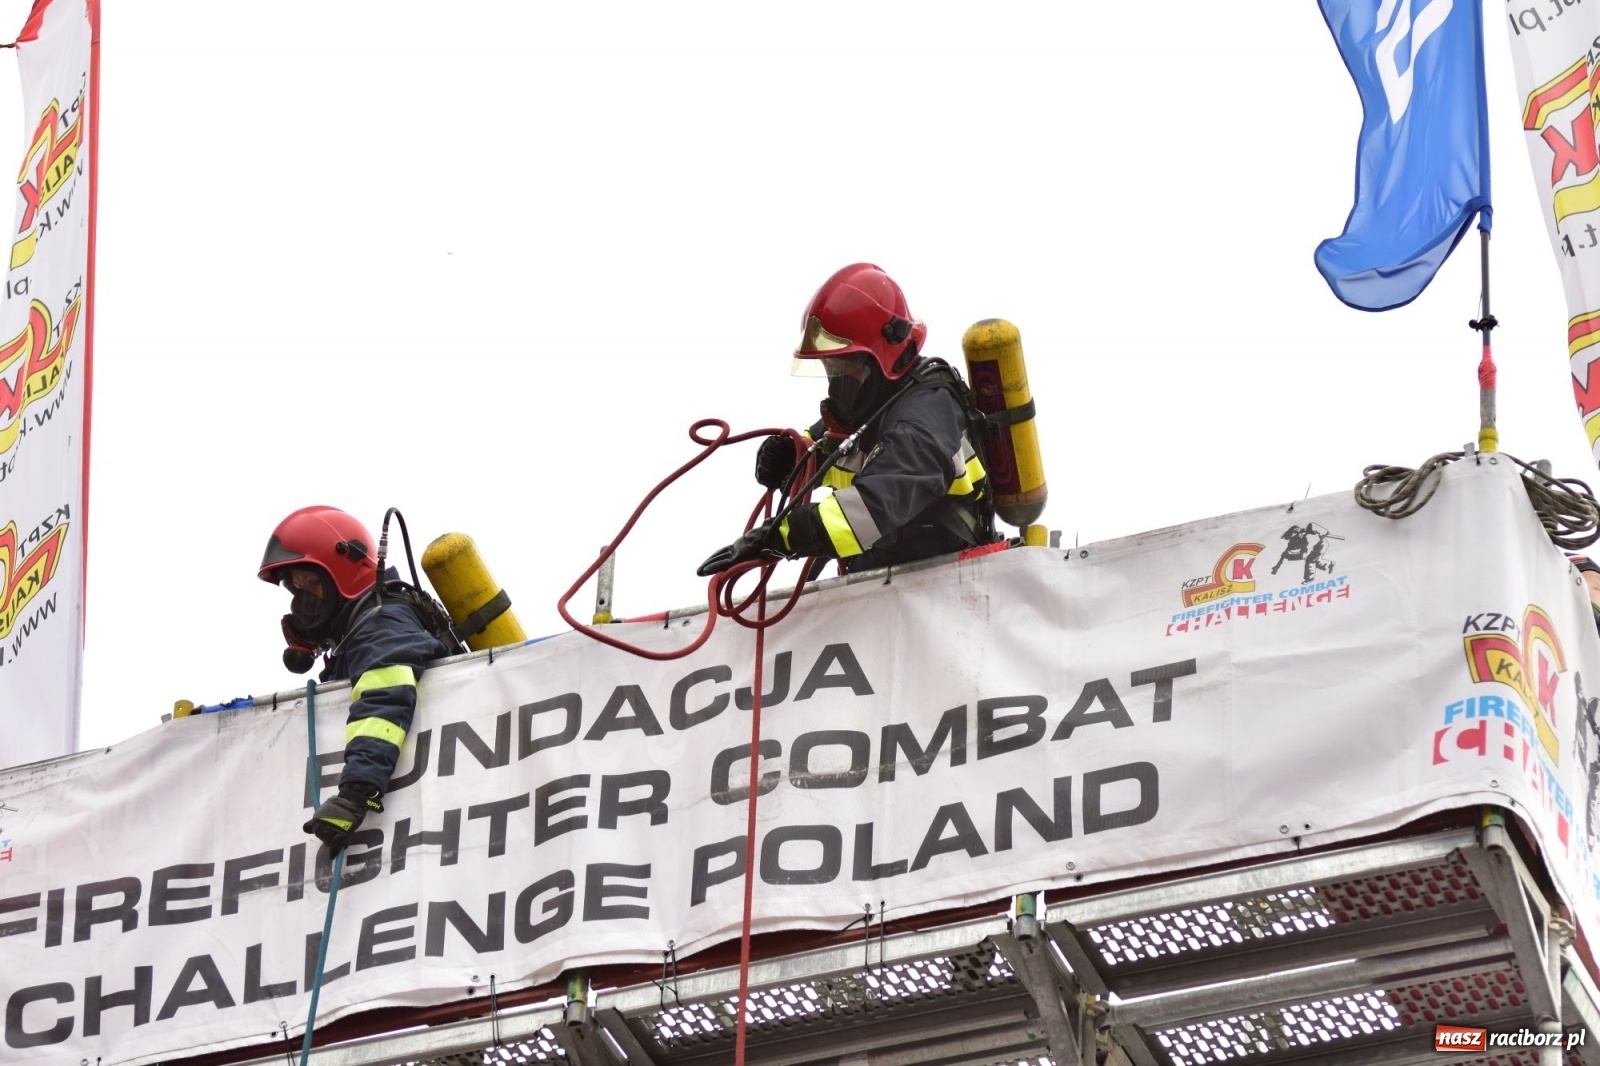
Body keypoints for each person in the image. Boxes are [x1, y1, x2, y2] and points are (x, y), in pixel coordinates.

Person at [699, 263, 992, 577]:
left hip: (947, 581)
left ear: (882, 356)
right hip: (892, 576)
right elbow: (836, 445)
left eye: (844, 366)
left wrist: (780, 535)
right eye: (831, 368)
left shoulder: (921, 424)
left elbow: (868, 511)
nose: (837, 380)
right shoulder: (877, 400)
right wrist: (792, 457)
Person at [259, 506, 452, 852]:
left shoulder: (380, 624)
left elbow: (384, 697)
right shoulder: (354, 637)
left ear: (343, 573)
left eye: (312, 583)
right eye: (295, 587)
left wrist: (356, 792)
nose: (303, 601)